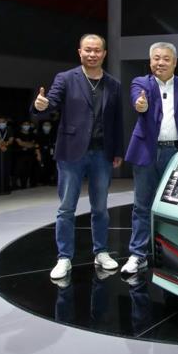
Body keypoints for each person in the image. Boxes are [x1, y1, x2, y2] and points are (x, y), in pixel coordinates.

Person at [33, 33, 124, 280]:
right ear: (80, 52)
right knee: (66, 208)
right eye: (88, 50)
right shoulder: (66, 78)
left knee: (100, 208)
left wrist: (117, 150)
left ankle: (101, 252)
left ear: (104, 53)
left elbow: (117, 120)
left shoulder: (113, 84)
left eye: (97, 50)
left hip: (102, 154)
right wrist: (41, 105)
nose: (92, 54)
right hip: (71, 152)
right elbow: (51, 102)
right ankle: (64, 257)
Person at [122, 42, 178, 274]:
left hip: (176, 152)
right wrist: (141, 105)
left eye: (166, 59)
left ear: (174, 62)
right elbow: (137, 102)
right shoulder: (141, 83)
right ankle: (138, 254)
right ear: (150, 62)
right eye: (156, 58)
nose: (161, 62)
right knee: (142, 205)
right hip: (146, 151)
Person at [13, 120, 40, 189]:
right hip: (19, 155)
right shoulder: (17, 133)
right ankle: (14, 185)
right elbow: (20, 143)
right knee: (17, 170)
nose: (26, 126)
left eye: (28, 124)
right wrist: (31, 144)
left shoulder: (32, 134)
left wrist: (26, 145)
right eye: (25, 124)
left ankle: (24, 185)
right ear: (21, 125)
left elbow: (36, 145)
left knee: (27, 171)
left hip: (30, 155)